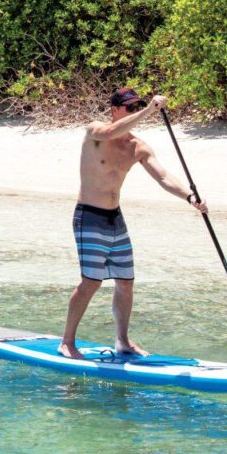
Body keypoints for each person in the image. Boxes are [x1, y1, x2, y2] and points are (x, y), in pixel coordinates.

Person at [61, 87, 208, 361]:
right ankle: (67, 343)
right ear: (114, 110)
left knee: (126, 282)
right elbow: (109, 132)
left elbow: (163, 177)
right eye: (129, 108)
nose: (133, 111)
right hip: (89, 217)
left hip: (115, 219)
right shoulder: (95, 132)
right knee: (91, 282)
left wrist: (189, 197)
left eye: (136, 107)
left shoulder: (137, 147)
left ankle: (123, 341)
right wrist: (149, 110)